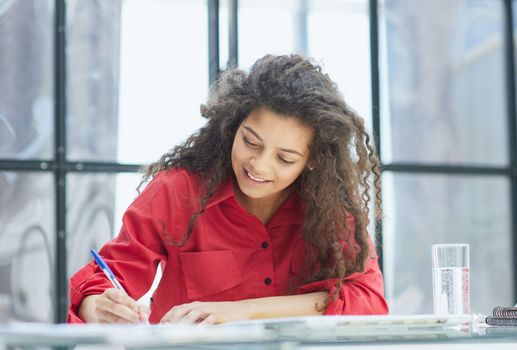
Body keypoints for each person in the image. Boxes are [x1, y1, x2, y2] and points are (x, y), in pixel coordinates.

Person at [68, 54, 389, 324]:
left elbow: (367, 299)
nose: (260, 166)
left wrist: (242, 312)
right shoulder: (178, 192)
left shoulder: (328, 207)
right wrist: (101, 308)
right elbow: (94, 286)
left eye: (285, 158)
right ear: (232, 126)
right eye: (250, 142)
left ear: (313, 160)